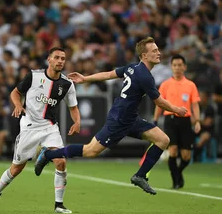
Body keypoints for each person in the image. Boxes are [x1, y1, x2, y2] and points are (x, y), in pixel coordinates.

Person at [32, 37, 187, 195]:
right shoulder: (144, 76)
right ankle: (48, 154)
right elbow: (159, 102)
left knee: (163, 140)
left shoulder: (133, 68)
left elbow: (109, 74)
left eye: (157, 50)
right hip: (119, 120)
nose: (159, 53)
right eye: (154, 51)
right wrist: (177, 109)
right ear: (145, 56)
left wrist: (86, 78)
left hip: (131, 119)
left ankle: (140, 176)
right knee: (90, 151)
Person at [0, 47, 81, 214]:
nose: (60, 61)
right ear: (49, 59)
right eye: (57, 57)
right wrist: (17, 104)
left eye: (63, 58)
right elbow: (15, 93)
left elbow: (73, 107)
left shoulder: (67, 84)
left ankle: (59, 204)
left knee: (61, 162)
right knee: (16, 169)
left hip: (50, 127)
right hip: (29, 126)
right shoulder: (34, 76)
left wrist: (77, 122)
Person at [152, 55, 201, 189]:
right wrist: (155, 119)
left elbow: (195, 104)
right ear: (171, 67)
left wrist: (197, 121)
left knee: (186, 156)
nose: (177, 68)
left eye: (180, 65)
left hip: (185, 120)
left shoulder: (191, 85)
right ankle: (175, 181)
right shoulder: (165, 84)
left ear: (184, 67)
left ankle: (178, 173)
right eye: (175, 65)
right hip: (171, 120)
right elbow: (159, 103)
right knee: (172, 151)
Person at [194, 90, 215, 161]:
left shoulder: (210, 108)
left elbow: (208, 123)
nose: (200, 98)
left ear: (206, 98)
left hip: (207, 130)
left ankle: (195, 156)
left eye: (202, 97)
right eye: (199, 96)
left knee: (203, 138)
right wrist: (200, 121)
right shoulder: (197, 107)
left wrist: (197, 120)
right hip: (197, 129)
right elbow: (191, 121)